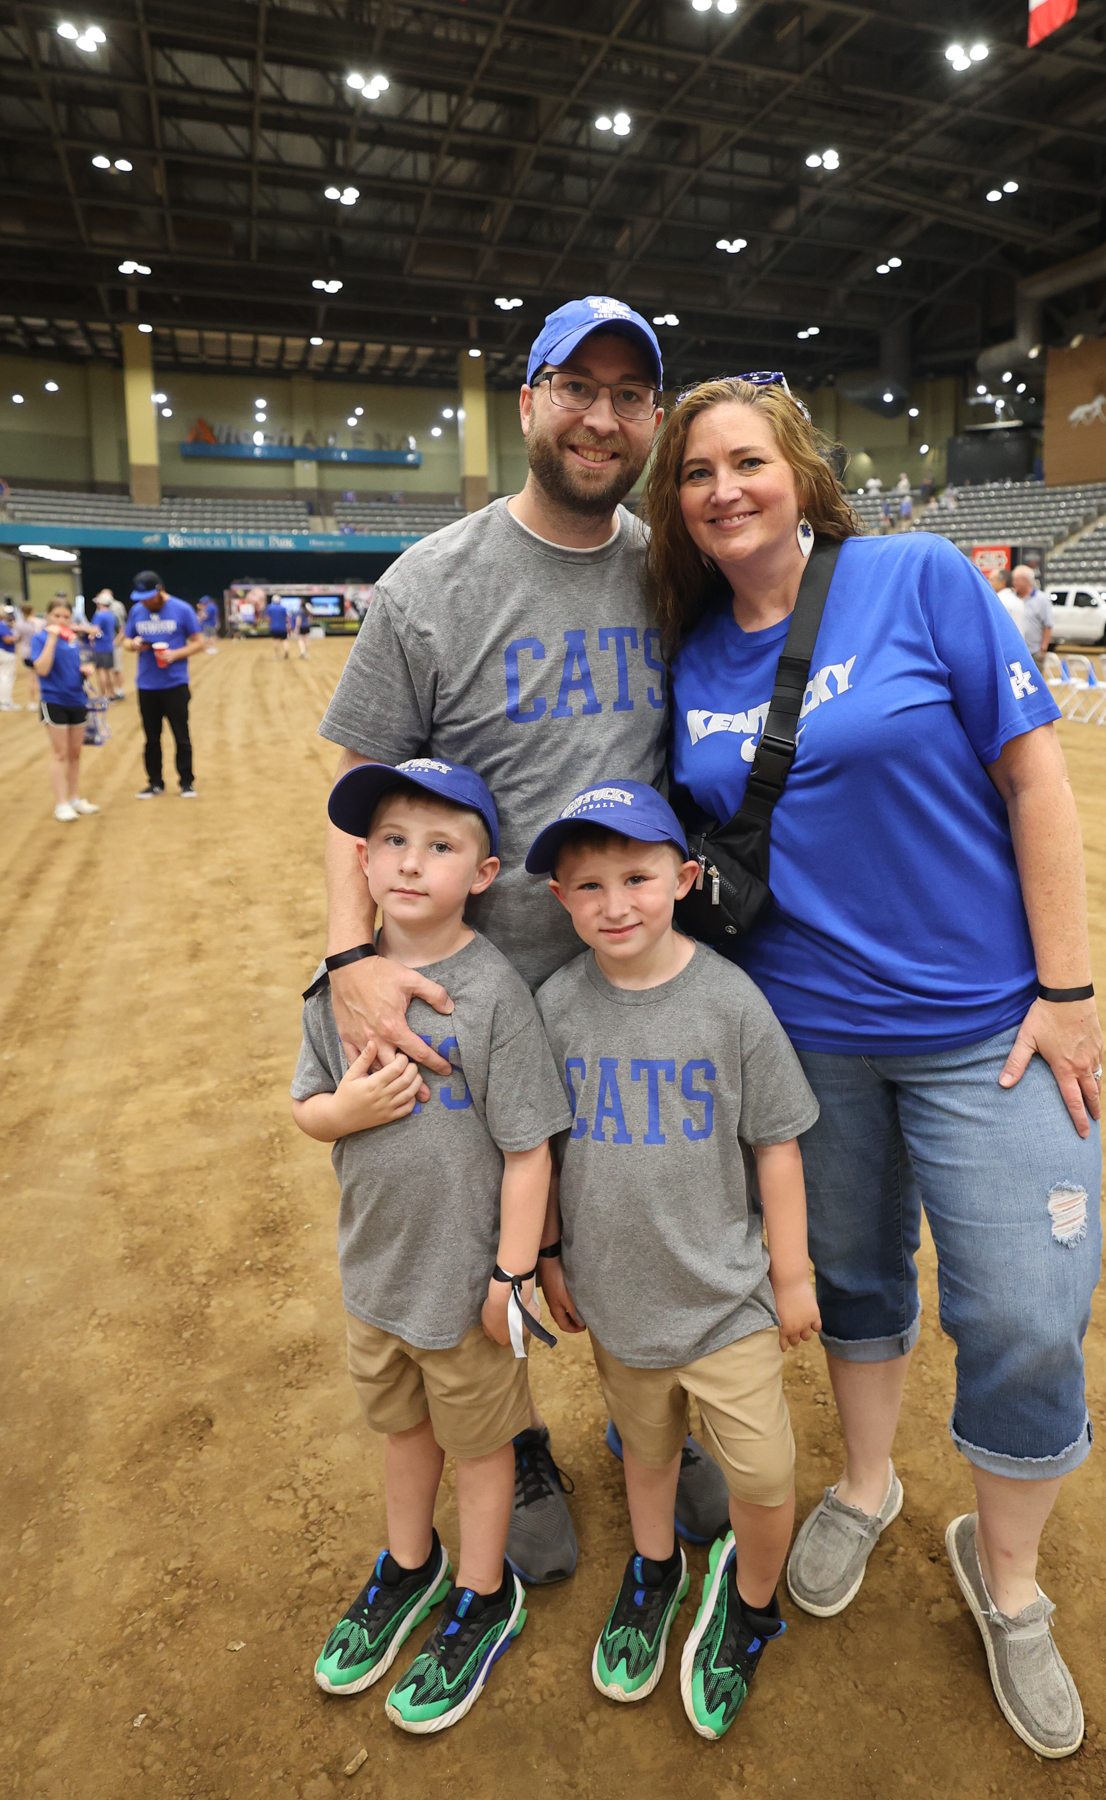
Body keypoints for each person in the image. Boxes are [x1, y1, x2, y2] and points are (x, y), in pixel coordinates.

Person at [650, 376, 1104, 1760]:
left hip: (987, 1027)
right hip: (803, 1036)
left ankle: (1008, 1579)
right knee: (849, 1277)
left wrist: (1070, 993)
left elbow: (1034, 779)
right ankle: (865, 1484)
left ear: (801, 471)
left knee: (1027, 1307)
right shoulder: (689, 658)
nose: (724, 489)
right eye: (696, 474)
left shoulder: (914, 579)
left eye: (748, 461)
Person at [314, 294, 726, 1582]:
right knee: (477, 1234)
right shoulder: (431, 583)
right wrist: (349, 963)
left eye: (629, 395)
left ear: (653, 418)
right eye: (578, 387)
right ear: (530, 399)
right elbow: (358, 782)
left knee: (635, 1203)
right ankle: (524, 1433)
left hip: (629, 969)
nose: (603, 418)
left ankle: (646, 1407)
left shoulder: (672, 571)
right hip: (474, 989)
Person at [528, 782, 821, 1740]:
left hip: (727, 1300)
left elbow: (776, 1142)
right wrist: (550, 1254)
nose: (616, 904)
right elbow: (548, 1148)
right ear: (561, 901)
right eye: (589, 885)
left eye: (638, 877)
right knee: (646, 1457)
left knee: (766, 1475)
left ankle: (754, 1602)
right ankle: (654, 1570)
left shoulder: (731, 1002)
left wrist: (792, 1276)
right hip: (620, 1300)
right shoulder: (558, 1004)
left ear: (685, 878)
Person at [293, 757, 572, 1734]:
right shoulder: (340, 994)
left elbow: (529, 1145)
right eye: (394, 843)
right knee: (402, 1432)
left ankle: (484, 1594)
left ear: (484, 873)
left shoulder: (491, 993)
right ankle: (409, 1568)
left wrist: (510, 1270)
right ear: (362, 862)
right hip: (376, 1278)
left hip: (466, 1291)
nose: (412, 864)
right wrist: (348, 1107)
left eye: (440, 846)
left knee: (483, 1447)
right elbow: (306, 1114)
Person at [124, 570, 203, 798]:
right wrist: (134, 644)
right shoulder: (138, 611)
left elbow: (198, 642)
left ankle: (186, 782)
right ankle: (155, 782)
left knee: (181, 735)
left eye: (149, 596)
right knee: (151, 738)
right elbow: (127, 641)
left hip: (175, 683)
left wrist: (176, 654)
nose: (145, 602)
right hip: (147, 685)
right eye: (141, 598)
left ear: (160, 591)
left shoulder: (181, 609)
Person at [26, 597, 102, 822]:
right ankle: (61, 803)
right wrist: (51, 638)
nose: (61, 620)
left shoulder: (72, 641)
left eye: (65, 617)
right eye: (56, 616)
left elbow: (72, 669)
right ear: (48, 616)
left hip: (77, 700)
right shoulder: (40, 639)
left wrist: (83, 672)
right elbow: (41, 669)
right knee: (60, 754)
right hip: (54, 701)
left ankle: (74, 798)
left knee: (75, 753)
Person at [1010, 565, 1054, 661]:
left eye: (1016, 580)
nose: (1013, 583)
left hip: (1034, 651)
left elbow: (1048, 625)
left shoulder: (1041, 600)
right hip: (1015, 652)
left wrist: (1043, 647)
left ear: (1025, 580)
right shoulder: (1011, 599)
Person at [88, 596, 119, 699]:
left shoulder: (99, 616)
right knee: (109, 671)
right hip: (109, 646)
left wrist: (86, 632)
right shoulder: (111, 615)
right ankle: (112, 693)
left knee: (101, 671)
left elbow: (94, 630)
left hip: (100, 647)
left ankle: (102, 695)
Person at [15, 601, 41, 710]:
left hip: (25, 653)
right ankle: (41, 700)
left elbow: (17, 638)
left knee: (31, 679)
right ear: (32, 611)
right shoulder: (39, 622)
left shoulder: (19, 624)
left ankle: (32, 702)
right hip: (38, 653)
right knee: (40, 679)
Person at [0, 606, 17, 711]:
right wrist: (16, 637)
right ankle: (5, 702)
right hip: (6, 653)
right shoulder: (2, 626)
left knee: (2, 677)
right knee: (6, 678)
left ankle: (4, 701)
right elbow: (7, 639)